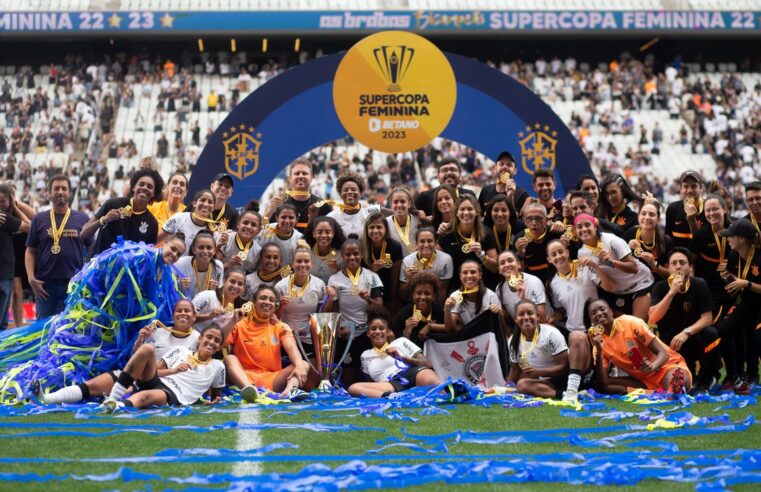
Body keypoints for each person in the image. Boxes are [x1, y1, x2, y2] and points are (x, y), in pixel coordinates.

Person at [37, 299, 201, 404]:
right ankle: (47, 398)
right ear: (173, 315)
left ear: (194, 316)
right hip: (135, 374)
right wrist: (139, 340)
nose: (183, 314)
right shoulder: (158, 331)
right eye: (179, 310)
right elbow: (137, 355)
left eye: (187, 311)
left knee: (146, 351)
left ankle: (114, 399)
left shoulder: (198, 338)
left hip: (162, 383)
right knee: (93, 385)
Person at [100, 324, 226, 412]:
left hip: (174, 394)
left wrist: (215, 401)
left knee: (144, 396)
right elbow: (154, 370)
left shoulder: (218, 366)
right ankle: (113, 398)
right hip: (156, 380)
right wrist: (173, 370)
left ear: (220, 347)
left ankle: (115, 407)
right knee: (147, 349)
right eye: (209, 337)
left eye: (217, 340)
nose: (211, 342)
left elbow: (216, 396)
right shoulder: (180, 350)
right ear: (199, 339)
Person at [648, 248, 720, 393]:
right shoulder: (660, 287)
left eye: (682, 262)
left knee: (712, 334)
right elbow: (653, 317)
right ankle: (690, 376)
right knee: (680, 383)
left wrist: (686, 332)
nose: (678, 266)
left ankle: (706, 380)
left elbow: (707, 318)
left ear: (690, 267)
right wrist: (671, 293)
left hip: (692, 340)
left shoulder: (699, 284)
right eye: (674, 263)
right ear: (668, 268)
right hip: (670, 346)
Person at [587, 298, 691, 395]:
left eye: (602, 309)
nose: (599, 314)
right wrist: (599, 350)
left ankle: (672, 388)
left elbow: (663, 354)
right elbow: (603, 382)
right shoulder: (598, 343)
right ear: (591, 320)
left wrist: (651, 367)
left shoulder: (631, 323)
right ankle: (652, 392)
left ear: (611, 312)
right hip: (643, 380)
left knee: (676, 380)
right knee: (605, 386)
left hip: (666, 368)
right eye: (593, 313)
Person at [224, 285, 310, 400]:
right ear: (253, 302)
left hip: (273, 379)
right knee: (230, 358)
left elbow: (292, 348)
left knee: (303, 364)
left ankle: (288, 392)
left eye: (271, 300)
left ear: (275, 306)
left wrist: (299, 366)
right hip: (244, 377)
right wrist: (232, 322)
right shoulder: (239, 324)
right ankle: (249, 390)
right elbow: (221, 344)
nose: (267, 302)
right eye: (263, 298)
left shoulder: (280, 326)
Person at [25, 174, 93, 319]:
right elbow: (30, 251)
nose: (60, 191)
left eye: (64, 188)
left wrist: (87, 278)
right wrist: (31, 278)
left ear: (70, 193)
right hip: (45, 286)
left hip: (73, 285)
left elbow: (92, 249)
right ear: (49, 193)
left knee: (69, 332)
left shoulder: (82, 218)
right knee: (42, 333)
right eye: (56, 188)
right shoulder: (39, 219)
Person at [575, 213, 654, 320]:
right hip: (620, 292)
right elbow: (610, 287)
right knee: (623, 327)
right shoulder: (582, 254)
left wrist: (611, 261)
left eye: (587, 225)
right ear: (575, 231)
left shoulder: (611, 240)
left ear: (595, 226)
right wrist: (595, 266)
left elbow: (634, 268)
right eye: (579, 227)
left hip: (641, 283)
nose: (584, 229)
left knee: (637, 326)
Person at [328, 238, 384, 382]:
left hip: (368, 334)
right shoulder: (334, 279)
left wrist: (368, 300)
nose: (352, 257)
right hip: (347, 335)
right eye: (348, 254)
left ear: (362, 255)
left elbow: (380, 309)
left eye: (356, 253)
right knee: (349, 378)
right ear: (342, 256)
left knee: (370, 374)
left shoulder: (372, 277)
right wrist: (339, 329)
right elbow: (334, 311)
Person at [348, 312, 441, 398]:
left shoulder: (400, 342)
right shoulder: (365, 355)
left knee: (432, 382)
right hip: (390, 384)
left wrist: (402, 358)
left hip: (413, 373)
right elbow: (370, 382)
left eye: (381, 328)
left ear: (387, 332)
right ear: (368, 333)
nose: (377, 331)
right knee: (354, 388)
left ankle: (446, 395)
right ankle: (392, 397)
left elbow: (427, 364)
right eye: (373, 329)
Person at [715, 219, 761, 394]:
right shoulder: (733, 255)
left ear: (742, 239)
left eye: (730, 236)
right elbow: (736, 281)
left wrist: (746, 284)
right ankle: (735, 378)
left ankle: (752, 374)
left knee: (758, 339)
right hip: (746, 303)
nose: (728, 239)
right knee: (724, 330)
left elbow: (746, 282)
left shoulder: (759, 257)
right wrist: (730, 281)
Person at [81, 169, 163, 255]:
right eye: (141, 184)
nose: (145, 188)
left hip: (128, 268)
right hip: (99, 266)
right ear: (134, 187)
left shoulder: (152, 223)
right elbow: (83, 234)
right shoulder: (112, 204)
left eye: (149, 187)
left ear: (154, 193)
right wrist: (103, 220)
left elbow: (148, 256)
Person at [275, 241, 334, 357]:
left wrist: (331, 299)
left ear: (312, 264)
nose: (303, 264)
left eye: (306, 261)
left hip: (310, 337)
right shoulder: (280, 286)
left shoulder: (319, 284)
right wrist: (281, 306)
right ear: (292, 264)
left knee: (310, 372)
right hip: (286, 335)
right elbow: (274, 318)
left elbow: (321, 315)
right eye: (298, 261)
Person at [546, 239, 615, 332]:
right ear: (549, 259)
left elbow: (610, 287)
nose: (558, 256)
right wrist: (553, 318)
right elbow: (561, 310)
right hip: (575, 331)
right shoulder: (553, 284)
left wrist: (594, 266)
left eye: (561, 251)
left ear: (567, 252)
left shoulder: (583, 266)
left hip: (597, 326)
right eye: (553, 254)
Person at [506, 300, 570, 399]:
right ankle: (559, 394)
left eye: (530, 313)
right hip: (540, 381)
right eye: (521, 314)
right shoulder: (513, 340)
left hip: (561, 379)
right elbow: (515, 368)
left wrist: (539, 372)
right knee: (522, 383)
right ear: (515, 319)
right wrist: (506, 389)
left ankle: (565, 395)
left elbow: (564, 367)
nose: (526, 317)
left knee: (522, 384)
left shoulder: (551, 334)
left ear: (538, 316)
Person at [438, 195, 498, 290]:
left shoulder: (486, 233)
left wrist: (482, 256)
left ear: (477, 212)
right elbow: (436, 259)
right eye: (462, 209)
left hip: (482, 286)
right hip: (456, 287)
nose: (466, 213)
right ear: (456, 213)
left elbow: (495, 268)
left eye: (470, 209)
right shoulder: (448, 232)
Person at [688, 194, 732, 320]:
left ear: (724, 209)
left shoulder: (736, 229)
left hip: (734, 283)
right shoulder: (701, 234)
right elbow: (691, 260)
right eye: (708, 210)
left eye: (715, 209)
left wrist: (732, 264)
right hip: (710, 286)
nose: (711, 213)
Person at [263, 158, 332, 232]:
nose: (301, 176)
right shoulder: (278, 204)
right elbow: (262, 229)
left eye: (304, 173)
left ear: (312, 178)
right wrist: (270, 210)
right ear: (290, 178)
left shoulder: (322, 205)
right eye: (297, 173)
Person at [0, 183, 29, 330]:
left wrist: (16, 207)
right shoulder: (2, 214)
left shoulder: (18, 207)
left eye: (4, 201)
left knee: (16, 292)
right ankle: (17, 327)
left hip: (19, 252)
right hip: (7, 256)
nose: (1, 205)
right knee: (14, 291)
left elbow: (33, 223)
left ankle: (18, 328)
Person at [444, 260, 502, 332]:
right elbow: (450, 329)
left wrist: (499, 312)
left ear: (480, 275)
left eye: (473, 272)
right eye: (465, 272)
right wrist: (447, 309)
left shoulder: (491, 296)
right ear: (460, 276)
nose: (469, 276)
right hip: (467, 337)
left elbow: (501, 326)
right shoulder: (455, 296)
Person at [513, 200, 562, 283]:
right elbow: (520, 273)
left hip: (558, 280)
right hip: (533, 283)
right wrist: (520, 254)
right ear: (524, 221)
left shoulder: (556, 234)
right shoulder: (520, 239)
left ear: (546, 220)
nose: (534, 223)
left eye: (538, 218)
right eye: (529, 218)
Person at [400, 227, 453, 304]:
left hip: (435, 301)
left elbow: (442, 290)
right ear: (416, 244)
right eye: (422, 241)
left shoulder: (445, 259)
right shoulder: (408, 261)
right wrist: (409, 279)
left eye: (430, 241)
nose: (426, 245)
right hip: (413, 301)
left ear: (435, 243)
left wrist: (434, 309)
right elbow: (403, 293)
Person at [362, 212, 403, 309]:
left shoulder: (395, 246)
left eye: (379, 227)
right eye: (371, 227)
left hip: (390, 290)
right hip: (368, 292)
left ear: (386, 229)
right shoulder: (362, 247)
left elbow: (395, 275)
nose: (375, 230)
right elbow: (360, 276)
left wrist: (393, 298)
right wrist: (372, 269)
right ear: (367, 230)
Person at [394, 271, 446, 346]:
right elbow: (400, 346)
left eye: (427, 293)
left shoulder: (440, 312)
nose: (423, 297)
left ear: (434, 295)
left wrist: (431, 327)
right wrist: (407, 331)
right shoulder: (403, 315)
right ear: (413, 295)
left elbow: (451, 330)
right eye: (419, 293)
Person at [496, 250, 547, 324]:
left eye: (510, 260)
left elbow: (542, 319)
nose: (507, 265)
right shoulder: (499, 289)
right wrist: (499, 312)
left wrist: (523, 299)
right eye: (502, 263)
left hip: (544, 326)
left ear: (518, 264)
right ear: (499, 270)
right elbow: (509, 319)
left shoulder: (533, 282)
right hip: (521, 329)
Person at [160, 189, 218, 254]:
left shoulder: (214, 230)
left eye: (210, 202)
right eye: (202, 200)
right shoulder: (179, 217)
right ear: (194, 203)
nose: (206, 204)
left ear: (213, 208)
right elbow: (156, 240)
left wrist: (220, 244)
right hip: (171, 262)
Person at [325, 172, 380, 239]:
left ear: (361, 193)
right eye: (345, 190)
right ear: (340, 194)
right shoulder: (331, 217)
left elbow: (392, 213)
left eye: (353, 189)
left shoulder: (370, 211)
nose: (349, 192)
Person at [625, 202, 672, 279]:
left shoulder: (666, 241)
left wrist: (653, 264)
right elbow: (619, 262)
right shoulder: (630, 233)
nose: (647, 217)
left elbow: (670, 275)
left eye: (652, 214)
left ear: (658, 220)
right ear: (638, 217)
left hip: (656, 284)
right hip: (634, 282)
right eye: (643, 214)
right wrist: (627, 248)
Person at [192, 268, 247, 334]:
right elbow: (187, 317)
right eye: (232, 281)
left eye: (240, 284)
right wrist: (208, 316)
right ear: (224, 282)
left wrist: (233, 322)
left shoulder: (236, 312)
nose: (235, 286)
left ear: (243, 289)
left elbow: (224, 336)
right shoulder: (208, 296)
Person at [174, 230, 224, 300]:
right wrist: (179, 285)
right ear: (193, 250)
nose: (205, 251)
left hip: (204, 307)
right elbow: (169, 289)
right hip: (182, 306)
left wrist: (214, 290)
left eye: (209, 248)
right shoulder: (180, 263)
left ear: (214, 250)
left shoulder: (218, 266)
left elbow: (219, 296)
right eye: (201, 247)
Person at [478, 151, 529, 215]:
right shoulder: (485, 190)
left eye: (509, 165)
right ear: (495, 168)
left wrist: (511, 197)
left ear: (515, 171)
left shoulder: (522, 195)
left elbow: (519, 223)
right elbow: (479, 217)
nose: (504, 167)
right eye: (501, 164)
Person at [665, 170, 706, 249]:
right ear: (680, 188)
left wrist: (692, 221)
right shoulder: (672, 209)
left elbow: (704, 243)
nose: (689, 190)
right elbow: (668, 239)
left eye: (694, 186)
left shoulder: (708, 209)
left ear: (701, 188)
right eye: (686, 186)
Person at [303, 216, 345, 284]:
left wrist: (338, 270)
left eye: (328, 232)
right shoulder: (305, 252)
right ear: (314, 234)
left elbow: (345, 280)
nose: (323, 235)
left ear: (333, 233)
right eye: (319, 232)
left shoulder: (340, 254)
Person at [386, 188, 421, 256]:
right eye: (395, 202)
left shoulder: (418, 220)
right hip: (397, 264)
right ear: (391, 205)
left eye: (402, 201)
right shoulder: (385, 223)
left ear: (409, 204)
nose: (399, 205)